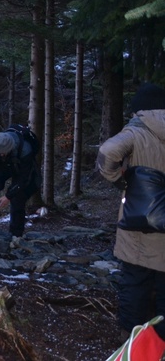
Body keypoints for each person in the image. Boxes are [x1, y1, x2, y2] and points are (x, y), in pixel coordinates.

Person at [97, 83, 165, 358]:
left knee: (134, 284)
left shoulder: (136, 131)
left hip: (139, 226)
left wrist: (121, 178)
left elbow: (107, 152)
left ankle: (132, 347)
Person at [0, 125, 39, 239]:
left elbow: (23, 179)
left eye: (3, 152)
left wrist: (8, 196)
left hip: (20, 167)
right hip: (2, 166)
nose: (1, 154)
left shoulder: (26, 150)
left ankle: (16, 233)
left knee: (18, 197)